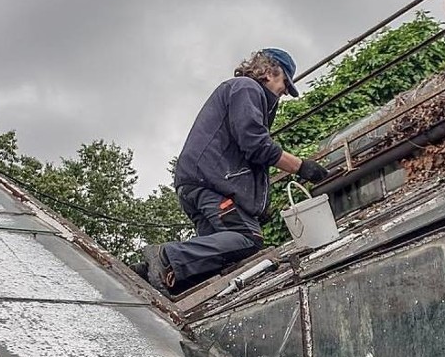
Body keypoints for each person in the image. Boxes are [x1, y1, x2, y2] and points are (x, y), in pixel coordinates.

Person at [134, 48, 329, 295]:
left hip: (197, 184)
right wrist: (301, 166)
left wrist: (258, 207)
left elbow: (245, 155)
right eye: (285, 84)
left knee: (220, 256)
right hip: (210, 184)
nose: (285, 93)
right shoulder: (247, 88)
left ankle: (158, 276)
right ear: (270, 72)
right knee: (248, 237)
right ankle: (166, 256)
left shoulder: (243, 93)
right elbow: (255, 144)